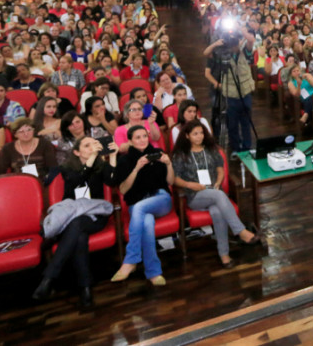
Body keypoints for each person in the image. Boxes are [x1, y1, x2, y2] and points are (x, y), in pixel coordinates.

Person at [35, 137, 118, 307]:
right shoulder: (66, 169)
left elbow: (112, 181)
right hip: (72, 218)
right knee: (79, 233)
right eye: (86, 146)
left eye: (93, 144)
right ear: (76, 152)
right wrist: (92, 159)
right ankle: (85, 287)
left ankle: (49, 279)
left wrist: (114, 156)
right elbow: (77, 181)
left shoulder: (99, 166)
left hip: (95, 216)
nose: (91, 148)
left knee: (78, 226)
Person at [172, 120, 260, 268]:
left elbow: (220, 168)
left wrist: (219, 181)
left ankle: (224, 255)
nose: (199, 136)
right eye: (195, 134)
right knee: (219, 195)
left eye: (201, 133)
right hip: (195, 195)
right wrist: (189, 184)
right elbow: (175, 178)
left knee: (218, 211)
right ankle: (240, 231)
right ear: (187, 136)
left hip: (214, 191)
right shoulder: (181, 154)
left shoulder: (211, 149)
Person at [109, 125, 174, 286]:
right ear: (130, 141)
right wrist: (136, 169)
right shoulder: (124, 161)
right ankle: (153, 272)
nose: (142, 140)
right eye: (137, 137)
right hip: (138, 204)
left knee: (139, 209)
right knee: (147, 223)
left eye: (144, 136)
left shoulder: (158, 155)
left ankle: (131, 259)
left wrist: (169, 164)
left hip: (160, 200)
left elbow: (171, 182)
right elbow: (123, 190)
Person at [203, 20, 256, 153]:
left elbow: (251, 40)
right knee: (232, 124)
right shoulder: (221, 54)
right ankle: (236, 148)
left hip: (245, 93)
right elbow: (205, 53)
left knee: (246, 122)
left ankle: (247, 147)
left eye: (235, 42)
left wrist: (241, 29)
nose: (233, 46)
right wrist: (216, 43)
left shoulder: (245, 51)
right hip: (230, 94)